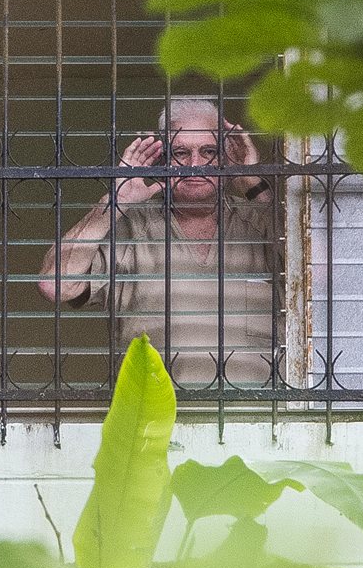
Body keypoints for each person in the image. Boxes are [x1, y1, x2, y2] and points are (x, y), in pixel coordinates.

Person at [37, 97, 278, 385]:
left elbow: (319, 277)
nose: (195, 164)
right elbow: (55, 285)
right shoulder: (130, 225)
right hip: (155, 421)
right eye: (180, 153)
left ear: (227, 158)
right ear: (163, 158)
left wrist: (254, 183)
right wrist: (118, 199)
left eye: (209, 151)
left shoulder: (261, 220)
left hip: (260, 419)